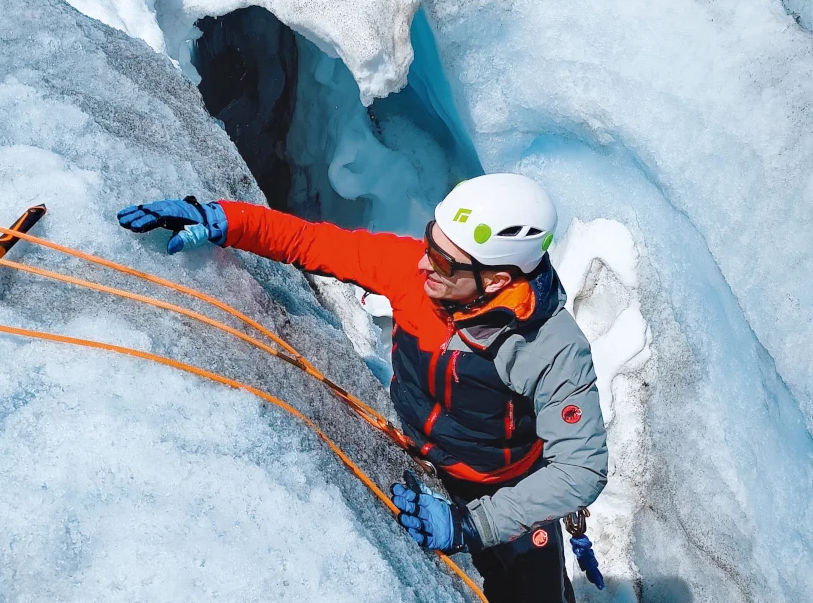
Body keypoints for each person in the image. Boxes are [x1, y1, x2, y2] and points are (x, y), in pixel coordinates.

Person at [117, 174, 607, 602]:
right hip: (417, 454)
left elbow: (582, 470)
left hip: (507, 485)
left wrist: (473, 525)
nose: (423, 265)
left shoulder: (552, 348)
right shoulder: (417, 274)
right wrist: (224, 219)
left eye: (443, 261)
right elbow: (312, 242)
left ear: (498, 280)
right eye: (429, 243)